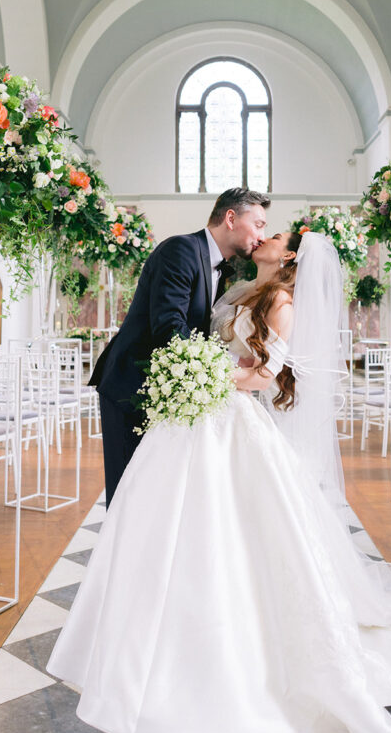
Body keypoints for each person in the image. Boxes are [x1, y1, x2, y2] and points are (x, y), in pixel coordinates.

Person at [49, 230, 391, 733]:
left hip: (228, 418)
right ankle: (150, 645)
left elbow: (264, 377)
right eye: (261, 226)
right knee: (166, 526)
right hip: (193, 417)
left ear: (288, 256)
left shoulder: (282, 301)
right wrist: (198, 374)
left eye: (276, 234)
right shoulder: (240, 288)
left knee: (235, 537)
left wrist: (208, 376)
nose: (264, 234)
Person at [88, 187, 269, 505]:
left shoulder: (218, 267)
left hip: (168, 389)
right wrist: (222, 369)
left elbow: (197, 330)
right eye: (258, 224)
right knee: (128, 496)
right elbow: (170, 329)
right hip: (132, 386)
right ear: (230, 218)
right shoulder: (181, 250)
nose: (262, 236)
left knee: (157, 495)